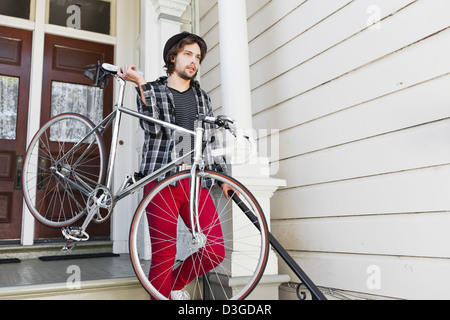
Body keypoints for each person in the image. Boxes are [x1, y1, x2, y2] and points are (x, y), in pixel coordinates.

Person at [118, 32, 235, 300]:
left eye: (198, 57)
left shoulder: (202, 97)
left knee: (214, 249)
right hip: (161, 182)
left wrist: (224, 176)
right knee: (164, 254)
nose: (194, 61)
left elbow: (210, 140)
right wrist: (141, 83)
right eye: (188, 54)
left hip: (195, 181)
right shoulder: (154, 90)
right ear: (173, 57)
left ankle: (172, 285)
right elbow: (151, 126)